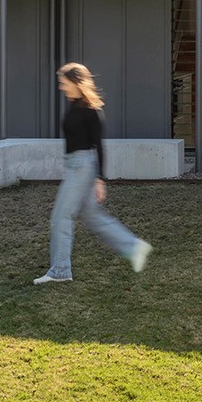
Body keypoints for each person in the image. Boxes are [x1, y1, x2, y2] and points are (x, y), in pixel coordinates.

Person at [34, 62, 152, 284]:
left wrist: (100, 179)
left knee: (60, 217)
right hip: (74, 165)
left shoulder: (91, 110)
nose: (61, 87)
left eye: (64, 82)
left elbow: (98, 145)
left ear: (76, 83)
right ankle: (135, 247)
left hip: (82, 167)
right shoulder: (73, 104)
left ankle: (60, 271)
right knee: (92, 216)